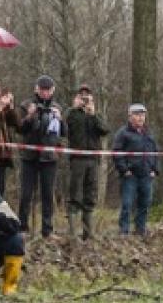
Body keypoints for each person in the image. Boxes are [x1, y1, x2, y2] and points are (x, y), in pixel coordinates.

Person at [16, 76, 65, 238]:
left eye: (48, 90)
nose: (44, 93)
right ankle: (22, 227)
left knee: (47, 194)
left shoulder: (57, 107)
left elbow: (64, 133)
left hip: (49, 158)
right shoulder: (25, 105)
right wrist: (30, 116)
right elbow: (20, 129)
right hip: (29, 157)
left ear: (53, 90)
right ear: (36, 89)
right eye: (42, 89)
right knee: (26, 194)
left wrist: (60, 119)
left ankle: (47, 230)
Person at [64, 84, 110, 240]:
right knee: (75, 194)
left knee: (90, 194)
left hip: (93, 159)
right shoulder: (72, 114)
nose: (84, 100)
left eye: (87, 97)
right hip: (77, 159)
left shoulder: (95, 115)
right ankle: (72, 232)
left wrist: (93, 114)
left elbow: (104, 130)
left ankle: (88, 232)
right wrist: (74, 108)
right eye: (81, 96)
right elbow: (65, 128)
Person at [111, 103, 160, 237]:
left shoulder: (148, 133)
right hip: (130, 175)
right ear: (130, 116)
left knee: (145, 203)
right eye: (137, 115)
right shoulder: (123, 133)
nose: (140, 118)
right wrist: (124, 170)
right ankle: (124, 230)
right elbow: (116, 152)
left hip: (146, 174)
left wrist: (155, 170)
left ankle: (140, 229)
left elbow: (155, 152)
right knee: (127, 203)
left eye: (142, 115)